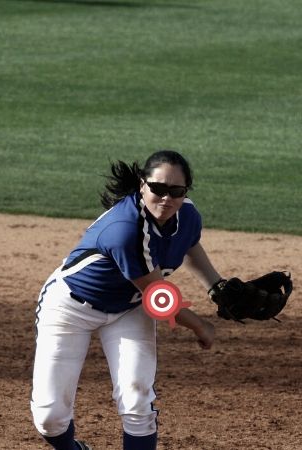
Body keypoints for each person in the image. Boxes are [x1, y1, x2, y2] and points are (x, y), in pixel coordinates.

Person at [30, 150, 221, 450]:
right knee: (49, 416)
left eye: (176, 191)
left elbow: (189, 243)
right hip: (71, 307)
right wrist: (201, 327)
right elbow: (158, 297)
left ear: (186, 192)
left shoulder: (187, 215)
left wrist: (216, 285)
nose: (166, 199)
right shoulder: (126, 229)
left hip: (129, 310)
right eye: (158, 188)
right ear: (142, 185)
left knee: (136, 401)